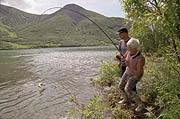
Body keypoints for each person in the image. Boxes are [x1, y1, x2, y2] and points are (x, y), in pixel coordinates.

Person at [118, 38, 145, 112]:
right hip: (128, 71)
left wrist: (128, 65)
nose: (127, 49)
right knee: (120, 86)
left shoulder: (140, 58)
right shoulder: (129, 51)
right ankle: (125, 99)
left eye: (129, 47)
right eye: (127, 47)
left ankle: (140, 104)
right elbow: (124, 58)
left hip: (136, 75)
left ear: (135, 48)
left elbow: (139, 73)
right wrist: (122, 59)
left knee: (128, 89)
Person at [115, 27, 137, 92]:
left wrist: (125, 57)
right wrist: (119, 62)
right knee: (123, 81)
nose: (119, 35)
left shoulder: (132, 41)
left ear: (125, 33)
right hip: (124, 65)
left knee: (131, 83)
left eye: (120, 34)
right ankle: (125, 97)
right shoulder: (121, 42)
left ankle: (134, 98)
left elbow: (134, 51)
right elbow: (120, 51)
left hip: (132, 65)